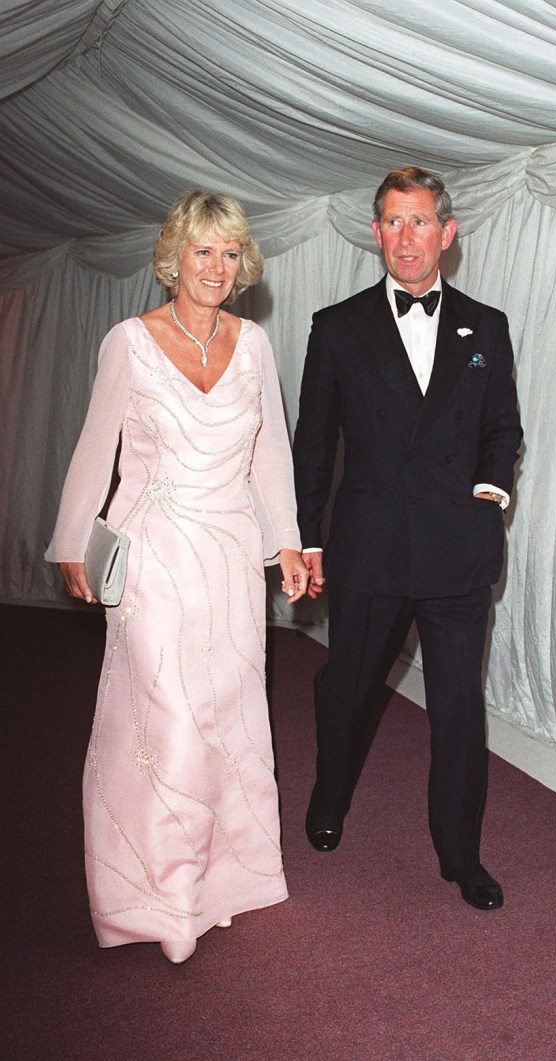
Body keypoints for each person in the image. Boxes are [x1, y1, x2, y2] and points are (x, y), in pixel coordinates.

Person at [46, 190, 308, 963]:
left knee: (226, 717)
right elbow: (98, 448)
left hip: (229, 556)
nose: (218, 268)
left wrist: (287, 542)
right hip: (154, 550)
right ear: (173, 257)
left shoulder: (254, 344)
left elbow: (270, 452)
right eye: (203, 251)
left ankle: (221, 881)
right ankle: (161, 896)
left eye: (230, 253)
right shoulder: (128, 340)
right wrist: (71, 541)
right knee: (166, 721)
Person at [293, 166, 522, 911]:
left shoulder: (485, 326)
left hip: (458, 552)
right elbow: (314, 442)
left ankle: (462, 856)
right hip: (371, 549)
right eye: (393, 221)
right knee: (348, 688)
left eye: (420, 221)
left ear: (447, 234)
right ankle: (331, 793)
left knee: (459, 708)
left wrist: (488, 496)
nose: (406, 237)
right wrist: (308, 536)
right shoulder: (338, 325)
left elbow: (502, 428)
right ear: (376, 232)